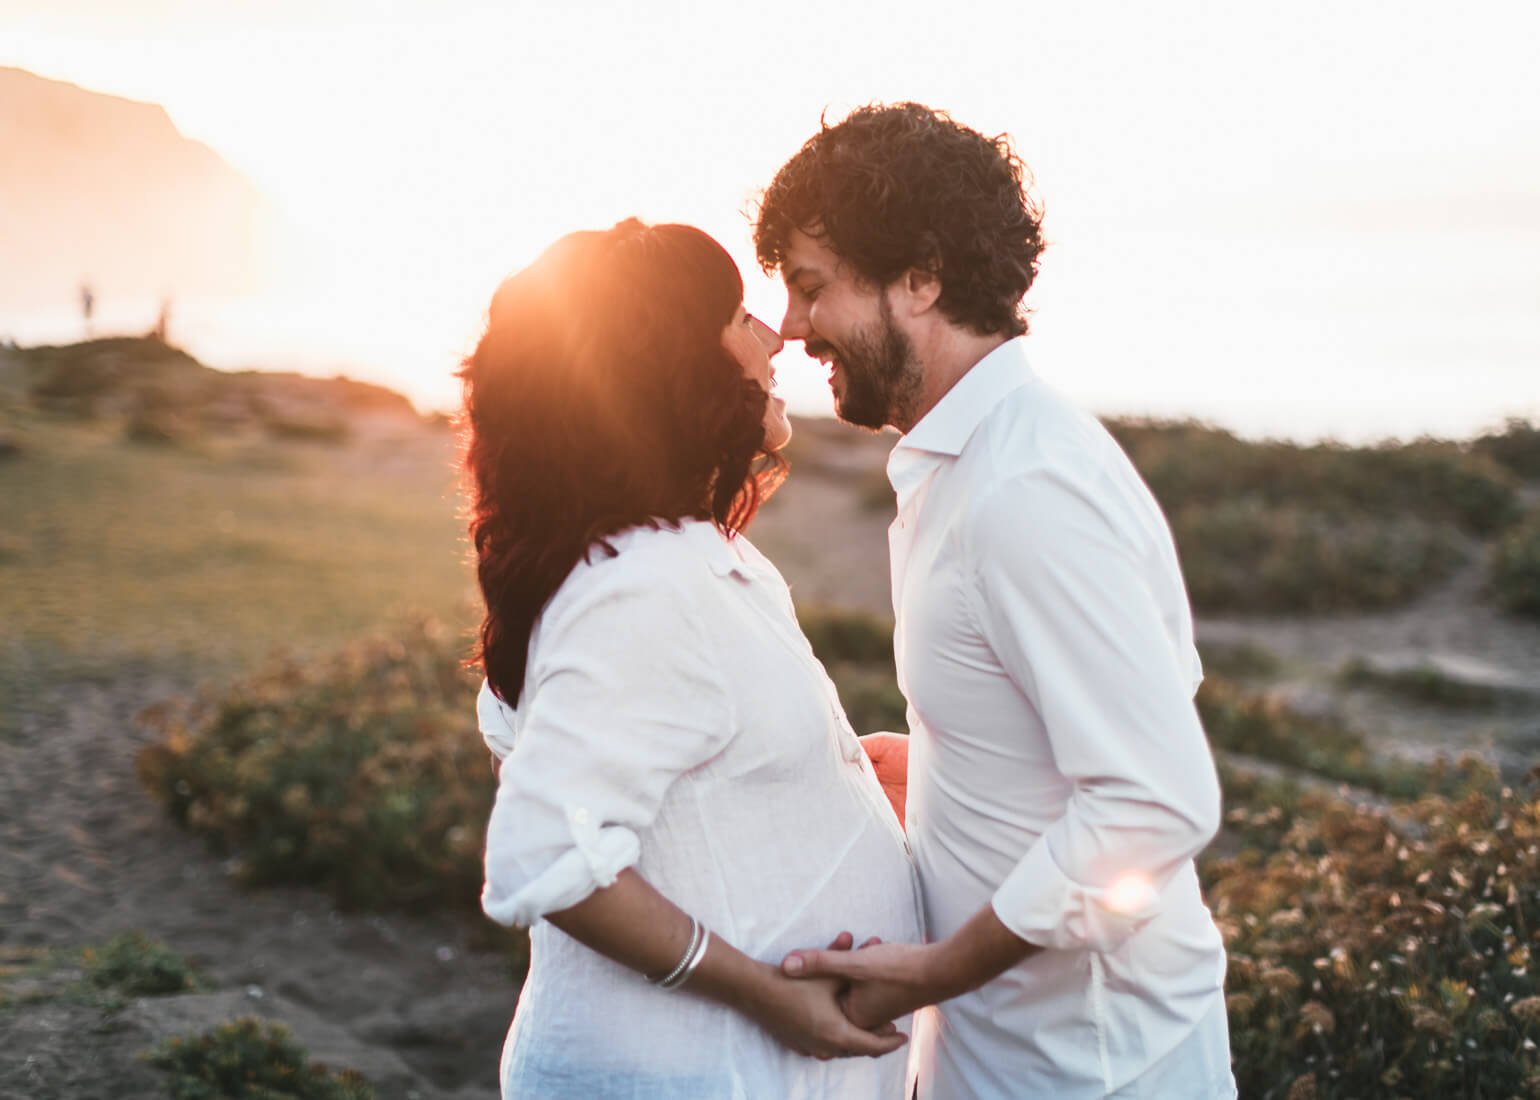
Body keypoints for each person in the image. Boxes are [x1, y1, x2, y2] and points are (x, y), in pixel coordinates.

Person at [753, 104, 1235, 1098]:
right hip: (1014, 1056)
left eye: (809, 286)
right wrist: (940, 763)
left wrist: (937, 968)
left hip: (1097, 1067)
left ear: (920, 275)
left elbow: (1155, 798)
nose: (792, 327)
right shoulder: (970, 461)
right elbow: (1100, 720)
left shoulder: (1025, 491)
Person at [462, 219, 923, 1098]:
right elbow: (546, 855)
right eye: (736, 313)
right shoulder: (643, 585)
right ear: (672, 362)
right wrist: (766, 998)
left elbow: (667, 778)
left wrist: (828, 777)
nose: (775, 333)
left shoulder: (667, 555)